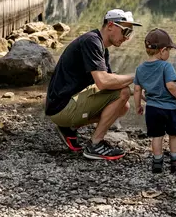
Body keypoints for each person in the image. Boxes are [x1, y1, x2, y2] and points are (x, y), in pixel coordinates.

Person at [45, 9, 141, 160]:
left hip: (60, 105)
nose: (127, 38)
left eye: (129, 33)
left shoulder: (100, 46)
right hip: (61, 108)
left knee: (123, 106)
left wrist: (147, 92)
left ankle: (69, 127)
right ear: (110, 25)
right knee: (122, 93)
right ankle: (95, 144)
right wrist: (137, 77)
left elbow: (111, 82)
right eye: (126, 31)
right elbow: (103, 82)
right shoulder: (92, 42)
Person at [133, 28, 176, 173]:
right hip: (169, 108)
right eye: (169, 50)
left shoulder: (140, 69)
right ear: (162, 50)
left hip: (151, 109)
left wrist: (138, 106)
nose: (169, 53)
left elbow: (137, 90)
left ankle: (157, 162)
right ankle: (175, 159)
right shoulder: (166, 66)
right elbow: (171, 86)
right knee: (173, 134)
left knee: (156, 136)